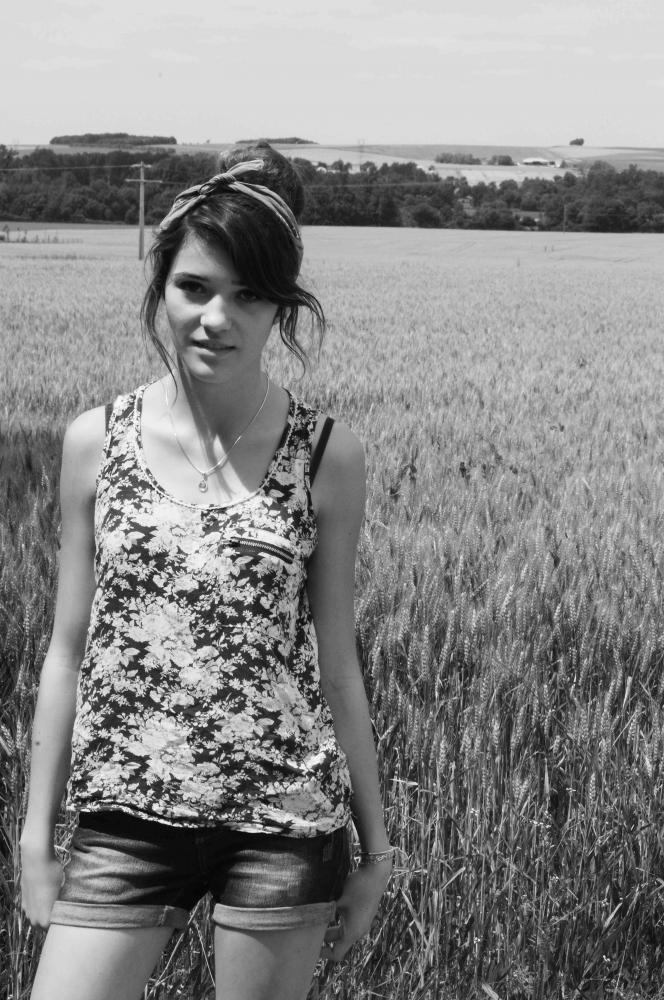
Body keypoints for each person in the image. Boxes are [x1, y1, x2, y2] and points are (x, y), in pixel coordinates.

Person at [19, 142, 394, 1000]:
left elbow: (338, 663)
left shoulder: (327, 456)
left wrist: (377, 852)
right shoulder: (95, 442)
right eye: (194, 287)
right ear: (161, 287)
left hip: (281, 824)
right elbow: (66, 651)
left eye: (248, 295)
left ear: (280, 309)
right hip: (125, 820)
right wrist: (36, 837)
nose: (216, 318)